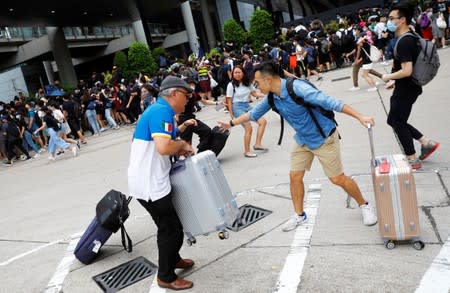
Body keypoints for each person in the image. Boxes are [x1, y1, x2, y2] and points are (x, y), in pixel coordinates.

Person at [218, 61, 378, 231]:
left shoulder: (298, 88)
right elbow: (253, 114)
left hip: (324, 137)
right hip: (303, 140)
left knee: (337, 178)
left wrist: (360, 116)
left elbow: (331, 102)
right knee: (294, 176)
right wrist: (231, 123)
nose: (255, 86)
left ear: (269, 80)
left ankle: (364, 205)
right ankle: (299, 215)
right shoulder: (272, 96)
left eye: (257, 82)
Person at [127, 76, 196, 291]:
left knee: (170, 225)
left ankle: (173, 259)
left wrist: (181, 140)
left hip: (149, 181)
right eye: (186, 95)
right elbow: (164, 147)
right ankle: (165, 276)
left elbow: (167, 140)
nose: (188, 100)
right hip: (151, 185)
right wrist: (183, 144)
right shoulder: (160, 111)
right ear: (174, 93)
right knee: (171, 229)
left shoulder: (158, 110)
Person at [382, 2, 440, 170]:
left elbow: (407, 70)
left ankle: (412, 159)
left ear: (402, 20)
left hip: (407, 87)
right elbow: (406, 67)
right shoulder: (410, 35)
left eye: (392, 18)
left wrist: (388, 76)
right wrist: (395, 79)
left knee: (397, 122)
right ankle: (426, 142)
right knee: (394, 120)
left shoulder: (405, 41)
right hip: (409, 86)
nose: (389, 22)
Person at [225, 65, 267, 158]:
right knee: (249, 128)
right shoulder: (231, 85)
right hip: (237, 107)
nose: (237, 74)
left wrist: (266, 95)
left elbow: (255, 93)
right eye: (235, 72)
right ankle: (247, 151)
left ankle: (258, 144)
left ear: (243, 73)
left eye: (239, 72)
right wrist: (231, 114)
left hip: (247, 106)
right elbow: (229, 100)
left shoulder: (248, 83)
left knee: (263, 121)